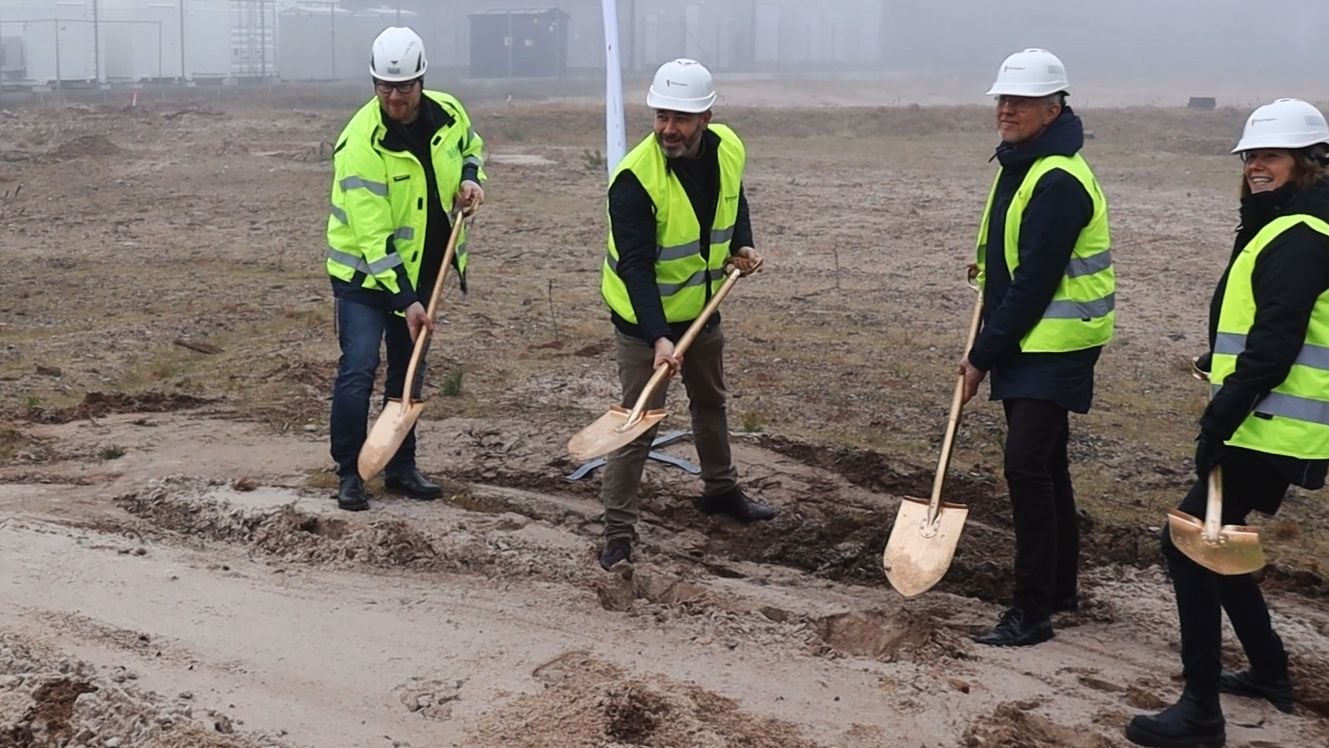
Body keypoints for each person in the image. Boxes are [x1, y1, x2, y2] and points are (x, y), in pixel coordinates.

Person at [1126, 98, 1329, 748]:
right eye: (1248, 157)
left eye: (1268, 156)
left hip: (1264, 426)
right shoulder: (1290, 224)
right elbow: (1270, 330)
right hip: (1265, 420)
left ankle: (1199, 712)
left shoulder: (1300, 235)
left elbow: (1275, 343)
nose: (1254, 168)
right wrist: (1220, 360)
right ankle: (1269, 672)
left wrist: (1219, 415)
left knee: (1186, 548)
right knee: (1221, 542)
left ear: (1306, 162)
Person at [959, 49, 1115, 646]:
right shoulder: (1020, 164)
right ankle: (1058, 587)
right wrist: (984, 280)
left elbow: (1036, 284)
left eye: (1020, 102)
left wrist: (981, 355)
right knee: (1047, 463)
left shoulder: (1057, 180)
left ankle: (1032, 612)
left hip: (1055, 342)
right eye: (1003, 100)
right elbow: (1010, 258)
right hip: (1028, 336)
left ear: (1054, 109)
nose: (1007, 110)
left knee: (1025, 464)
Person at [596, 58, 776, 571]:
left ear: (706, 117)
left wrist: (742, 244)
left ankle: (721, 491)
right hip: (642, 322)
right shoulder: (634, 180)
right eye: (661, 117)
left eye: (681, 118)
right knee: (638, 423)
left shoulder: (728, 148)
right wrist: (657, 337)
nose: (668, 129)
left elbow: (733, 196)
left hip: (701, 307)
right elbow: (635, 267)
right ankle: (617, 534)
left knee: (710, 402)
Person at [325, 26, 485, 512]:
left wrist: (472, 180)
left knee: (408, 373)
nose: (394, 97)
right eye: (384, 87)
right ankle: (350, 471)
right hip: (365, 277)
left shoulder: (450, 112)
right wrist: (406, 301)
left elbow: (472, 148)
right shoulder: (361, 142)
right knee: (358, 370)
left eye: (404, 87)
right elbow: (374, 238)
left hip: (425, 272)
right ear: (374, 84)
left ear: (421, 81)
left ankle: (399, 466)